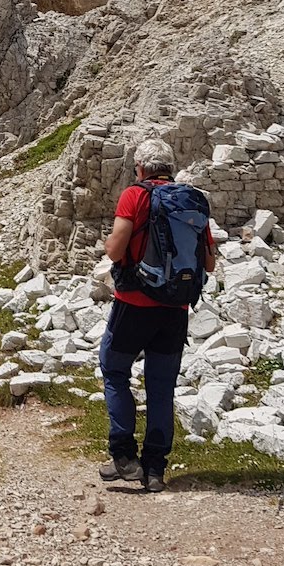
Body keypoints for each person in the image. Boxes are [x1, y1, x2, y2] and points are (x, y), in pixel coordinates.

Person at [99, 139, 215, 493]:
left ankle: (124, 457)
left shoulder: (134, 195)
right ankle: (154, 470)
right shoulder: (191, 199)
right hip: (175, 309)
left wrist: (111, 244)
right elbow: (209, 261)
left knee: (114, 368)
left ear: (140, 168)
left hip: (133, 304)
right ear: (170, 167)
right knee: (161, 387)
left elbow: (116, 250)